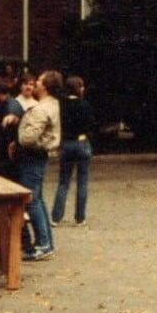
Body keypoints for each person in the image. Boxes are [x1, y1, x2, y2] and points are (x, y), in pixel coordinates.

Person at [16, 69, 62, 260]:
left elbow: (27, 138)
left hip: (32, 155)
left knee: (32, 199)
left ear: (44, 86)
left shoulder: (41, 109)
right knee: (39, 198)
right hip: (41, 155)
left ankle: (43, 244)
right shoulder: (53, 104)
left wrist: (20, 135)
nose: (35, 83)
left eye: (39, 81)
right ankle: (46, 242)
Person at [51, 75, 95, 227]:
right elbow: (91, 125)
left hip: (67, 143)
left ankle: (56, 217)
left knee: (63, 182)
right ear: (78, 88)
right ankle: (80, 217)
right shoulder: (85, 105)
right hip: (82, 142)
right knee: (82, 182)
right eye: (81, 86)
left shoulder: (61, 106)